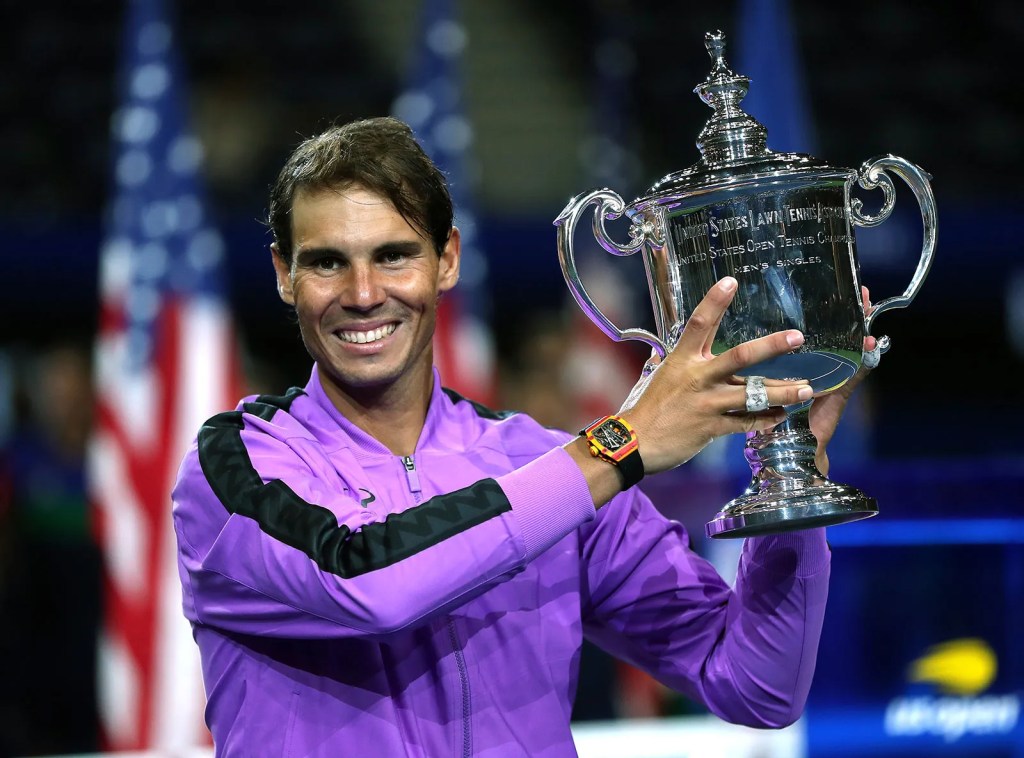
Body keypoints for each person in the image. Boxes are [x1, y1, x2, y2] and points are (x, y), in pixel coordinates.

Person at [172, 116, 874, 755]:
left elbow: (756, 685)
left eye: (394, 255)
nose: (362, 294)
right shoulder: (236, 466)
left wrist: (794, 470)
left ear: (447, 259)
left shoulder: (542, 463)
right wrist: (618, 445)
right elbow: (367, 583)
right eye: (327, 261)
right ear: (284, 274)